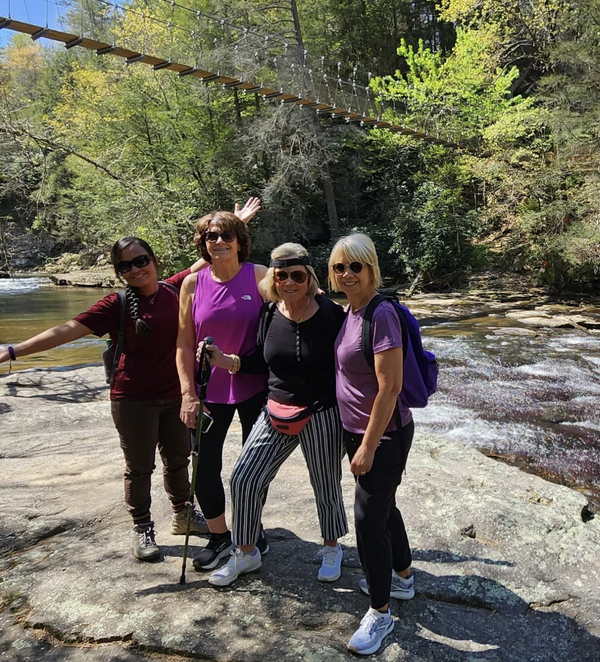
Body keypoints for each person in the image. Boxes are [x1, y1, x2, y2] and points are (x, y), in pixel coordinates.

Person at [0, 198, 261, 563]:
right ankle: (142, 526)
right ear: (120, 272)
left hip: (176, 395)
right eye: (127, 265)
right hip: (133, 398)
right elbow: (66, 332)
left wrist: (236, 223)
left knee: (179, 460)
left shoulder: (175, 289)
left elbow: (214, 256)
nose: (137, 269)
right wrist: (13, 352)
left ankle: (184, 515)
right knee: (140, 467)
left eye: (142, 260)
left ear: (154, 261)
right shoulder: (115, 305)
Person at [201, 243, 348, 587]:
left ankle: (331, 547)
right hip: (275, 409)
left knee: (325, 483)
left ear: (309, 278)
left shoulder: (329, 314)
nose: (289, 282)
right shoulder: (268, 313)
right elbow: (259, 361)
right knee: (244, 478)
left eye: (298, 275)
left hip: (321, 411)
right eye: (281, 275)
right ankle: (246, 551)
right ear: (273, 278)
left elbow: (350, 362)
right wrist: (225, 360)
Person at [329, 233, 415, 656]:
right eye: (339, 267)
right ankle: (403, 577)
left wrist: (368, 445)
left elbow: (391, 386)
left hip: (382, 435)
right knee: (384, 507)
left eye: (355, 266)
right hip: (358, 432)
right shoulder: (350, 310)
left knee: (367, 521)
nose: (346, 274)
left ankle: (380, 614)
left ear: (371, 268)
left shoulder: (381, 314)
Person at [176, 211, 269, 572]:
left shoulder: (260, 276)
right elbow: (184, 344)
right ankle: (218, 536)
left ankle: (250, 530)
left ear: (240, 241)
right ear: (203, 243)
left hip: (254, 387)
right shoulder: (192, 283)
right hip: (206, 390)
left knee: (254, 467)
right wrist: (187, 393)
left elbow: (294, 305)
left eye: (226, 235)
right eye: (211, 236)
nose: (218, 241)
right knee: (204, 466)